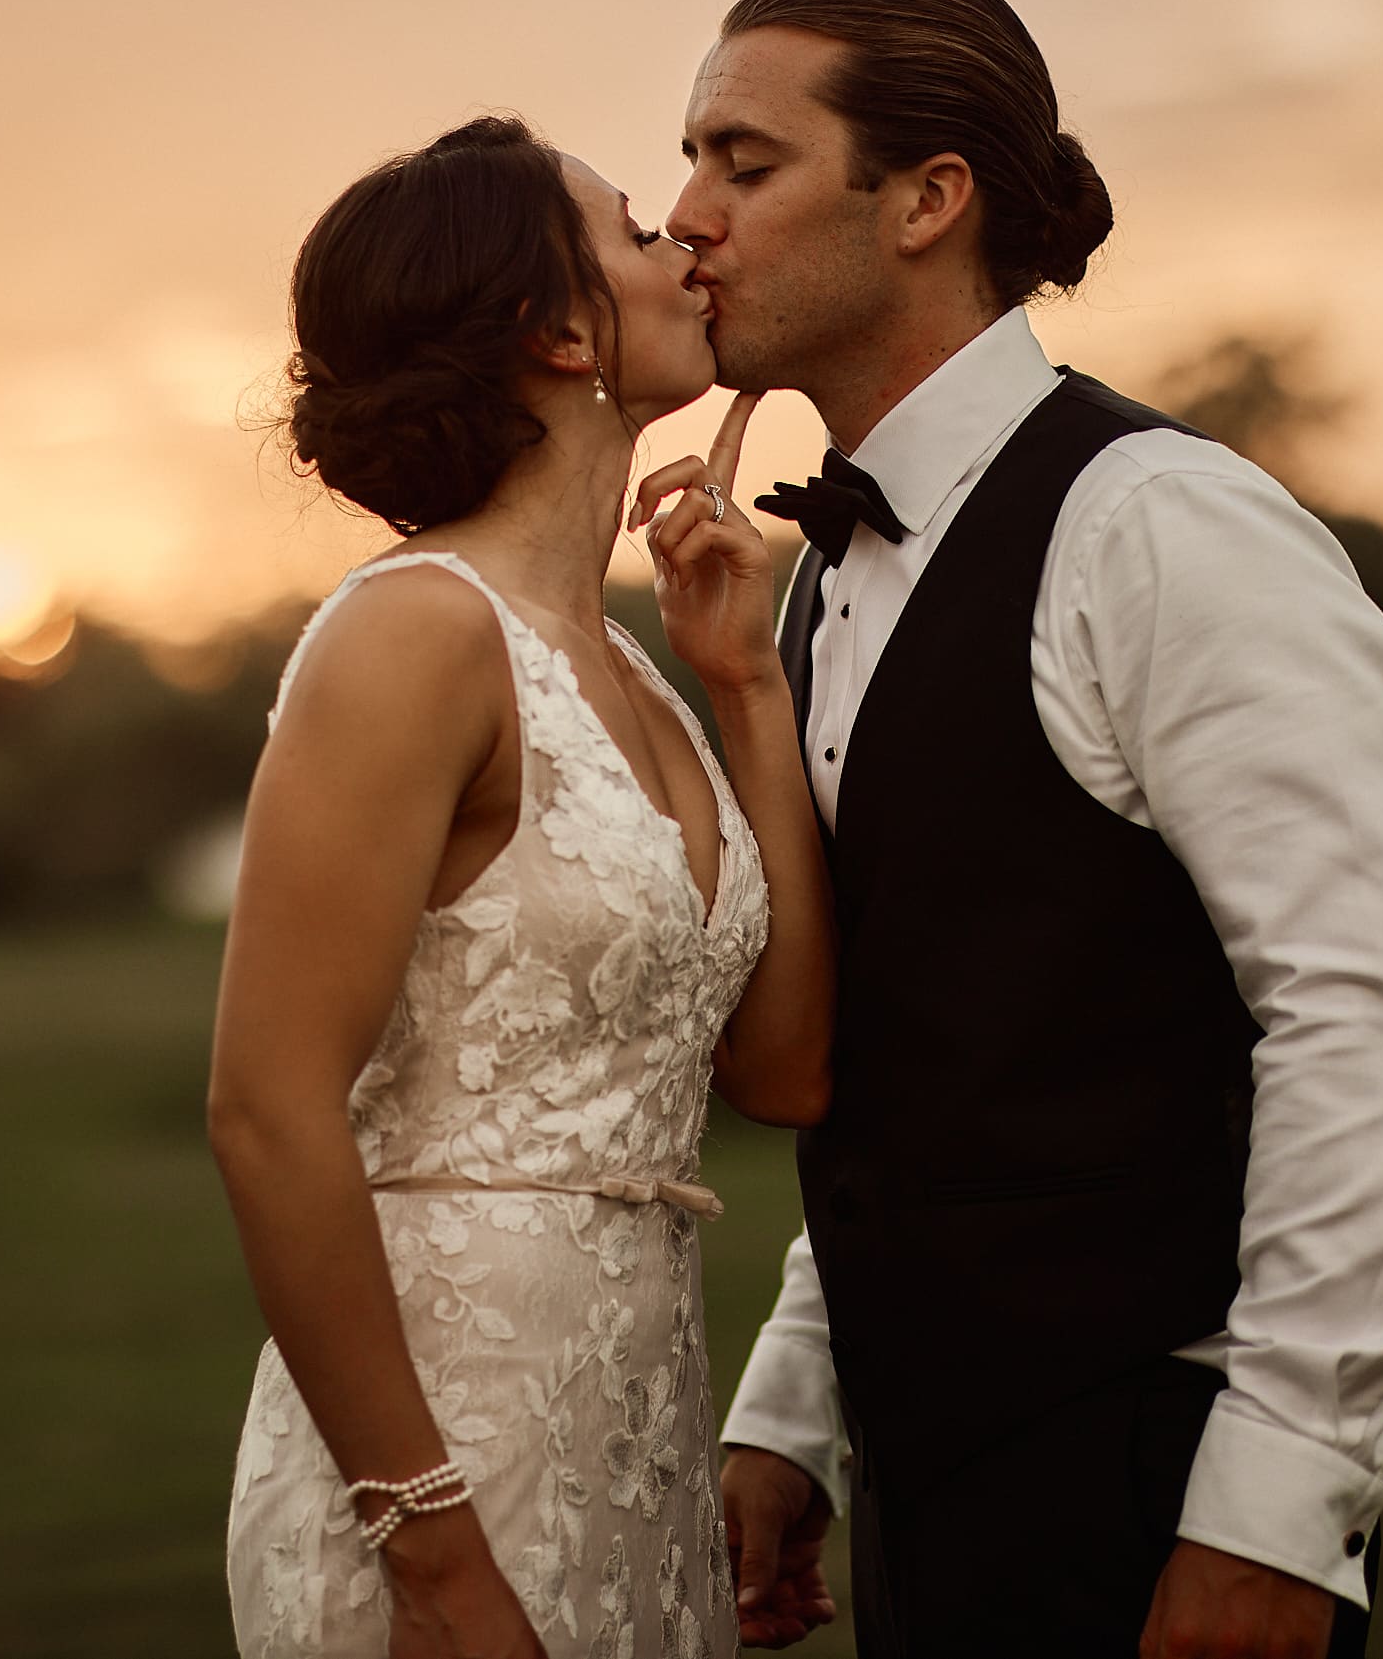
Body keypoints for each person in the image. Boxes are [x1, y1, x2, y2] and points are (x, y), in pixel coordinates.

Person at [684, 0, 1383, 1658]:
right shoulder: (820, 582)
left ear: (928, 200)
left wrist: (1279, 1505)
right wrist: (796, 1399)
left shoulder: (1161, 529)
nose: (688, 217)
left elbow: (1360, 1018)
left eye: (744, 163)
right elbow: (932, 1046)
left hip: (1156, 1473)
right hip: (932, 1481)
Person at [212, 116, 839, 1658]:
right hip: (437, 1459)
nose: (683, 240)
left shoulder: (638, 668)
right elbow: (268, 1109)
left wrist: (749, 686)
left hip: (631, 1436)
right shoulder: (411, 633)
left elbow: (786, 1070)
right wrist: (432, 1556)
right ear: (555, 330)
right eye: (633, 229)